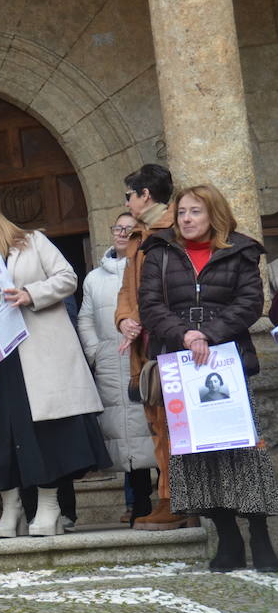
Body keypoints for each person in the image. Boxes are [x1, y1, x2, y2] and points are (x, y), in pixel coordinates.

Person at [137, 184, 278, 571]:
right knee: (198, 457)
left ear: (213, 213)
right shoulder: (159, 252)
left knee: (243, 452)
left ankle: (261, 537)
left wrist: (209, 335)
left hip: (226, 363)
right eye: (182, 212)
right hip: (181, 366)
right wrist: (184, 336)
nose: (186, 219)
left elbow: (251, 302)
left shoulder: (242, 251)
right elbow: (149, 305)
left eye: (195, 212)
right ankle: (228, 539)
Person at [0, 203, 110, 538]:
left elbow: (68, 278)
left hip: (42, 355)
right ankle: (12, 507)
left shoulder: (33, 243)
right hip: (2, 361)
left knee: (44, 431)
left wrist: (30, 293)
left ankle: (49, 504)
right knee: (6, 434)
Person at [114, 164, 187, 531]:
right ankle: (169, 498)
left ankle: (178, 499)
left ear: (145, 195)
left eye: (129, 195)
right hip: (144, 346)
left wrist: (145, 315)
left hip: (169, 341)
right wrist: (124, 318)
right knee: (158, 424)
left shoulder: (173, 231)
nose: (127, 202)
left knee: (175, 424)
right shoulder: (138, 237)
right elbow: (127, 289)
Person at [75, 213, 156, 526]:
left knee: (153, 427)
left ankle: (168, 497)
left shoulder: (146, 266)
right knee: (126, 436)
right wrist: (96, 351)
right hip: (112, 359)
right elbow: (85, 317)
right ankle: (139, 502)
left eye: (129, 229)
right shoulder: (95, 278)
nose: (122, 234)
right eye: (118, 228)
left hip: (145, 357)